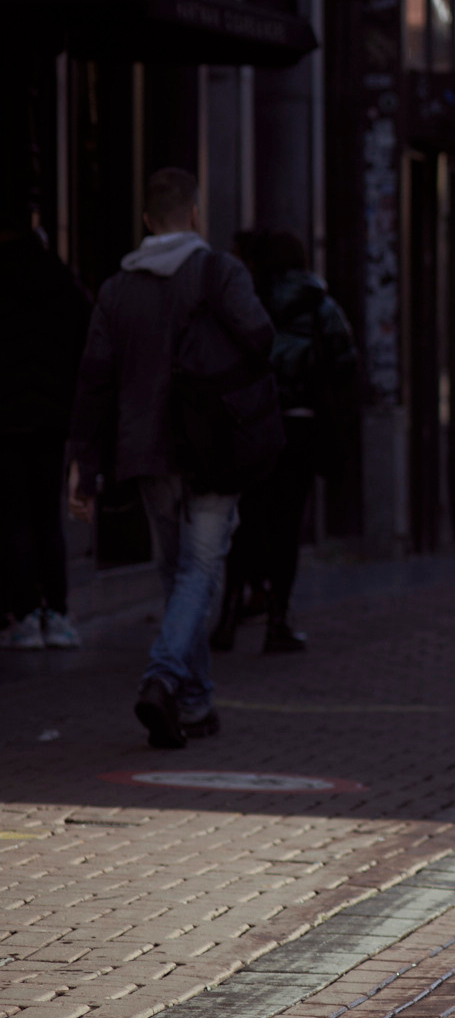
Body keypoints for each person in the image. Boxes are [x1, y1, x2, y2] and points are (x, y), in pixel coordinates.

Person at [68, 167, 274, 750]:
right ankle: (162, 678)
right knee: (200, 572)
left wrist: (83, 461)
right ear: (198, 214)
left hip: (145, 450)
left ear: (145, 222)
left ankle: (195, 700)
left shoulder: (115, 290)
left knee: (178, 572)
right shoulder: (220, 271)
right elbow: (260, 338)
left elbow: (93, 383)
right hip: (213, 447)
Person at [216, 231, 355, 653]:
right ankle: (277, 620)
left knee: (244, 522)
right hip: (298, 427)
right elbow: (347, 368)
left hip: (248, 426)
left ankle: (227, 617)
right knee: (287, 526)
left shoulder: (240, 302)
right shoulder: (320, 307)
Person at [0, 193, 93, 650]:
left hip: (9, 417)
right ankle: (57, 611)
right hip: (52, 417)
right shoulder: (59, 278)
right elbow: (85, 336)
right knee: (47, 515)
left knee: (14, 515)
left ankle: (23, 612)